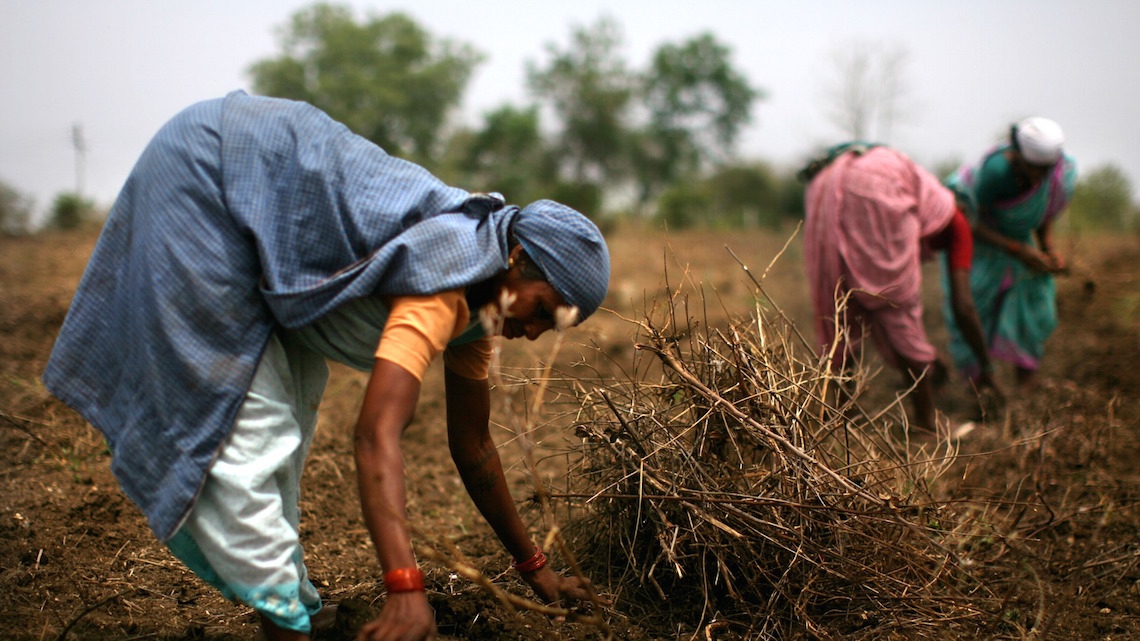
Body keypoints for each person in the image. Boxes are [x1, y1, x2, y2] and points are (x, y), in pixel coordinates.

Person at [42, 91, 611, 641]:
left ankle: (293, 609)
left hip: (257, 204)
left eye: (551, 327)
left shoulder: (483, 309)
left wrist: (533, 565)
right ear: (515, 258)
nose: (533, 332)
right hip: (213, 175)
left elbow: (473, 443)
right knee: (247, 437)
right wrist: (405, 586)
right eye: (541, 309)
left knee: (288, 424)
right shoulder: (443, 281)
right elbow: (375, 435)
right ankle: (285, 623)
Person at [800, 143, 998, 432]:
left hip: (823, 182)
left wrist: (932, 359)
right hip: (877, 186)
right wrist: (986, 367)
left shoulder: (921, 192)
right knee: (898, 304)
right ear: (963, 207)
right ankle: (925, 423)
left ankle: (842, 420)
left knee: (840, 303)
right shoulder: (957, 219)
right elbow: (963, 306)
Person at [942, 117, 1076, 390]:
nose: (1039, 176)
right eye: (1033, 169)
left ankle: (1026, 382)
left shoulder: (1057, 173)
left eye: (1045, 170)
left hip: (1017, 240)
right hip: (980, 239)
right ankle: (980, 385)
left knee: (1033, 300)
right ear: (1018, 154)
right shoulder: (996, 173)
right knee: (975, 305)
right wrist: (1016, 249)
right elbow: (969, 221)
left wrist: (1047, 249)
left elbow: (1041, 210)